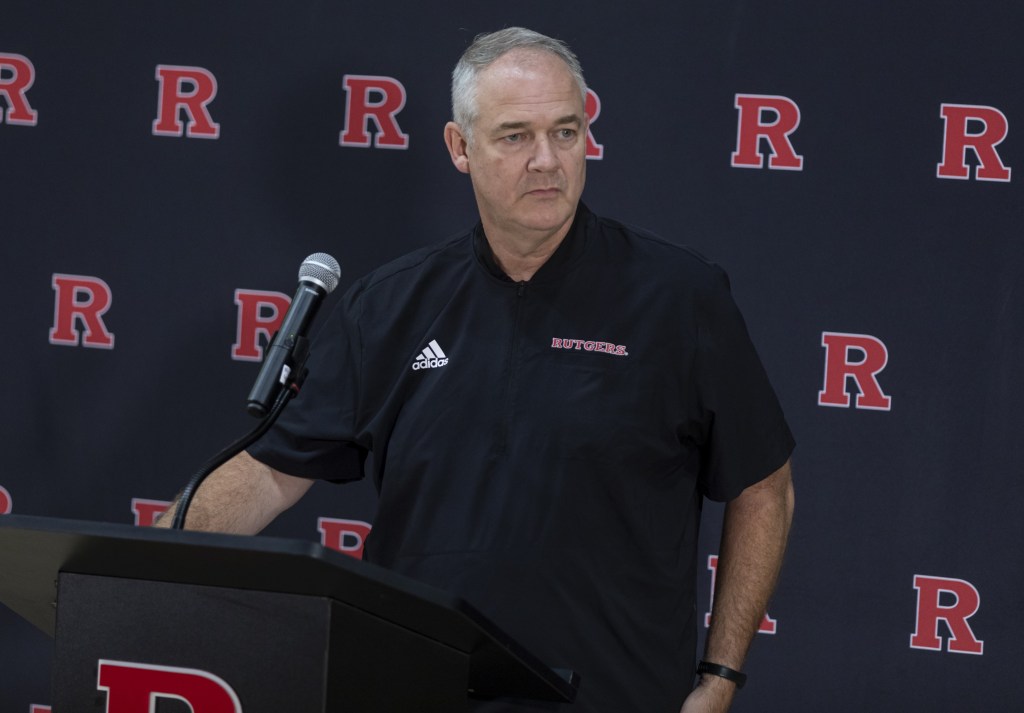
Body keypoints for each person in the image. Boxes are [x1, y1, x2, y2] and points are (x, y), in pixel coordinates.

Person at [157, 27, 795, 713]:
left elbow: (765, 488)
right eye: (515, 136)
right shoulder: (390, 305)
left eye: (566, 131)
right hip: (419, 690)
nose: (546, 160)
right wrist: (138, 565)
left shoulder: (680, 298)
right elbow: (270, 472)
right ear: (460, 148)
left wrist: (720, 678)